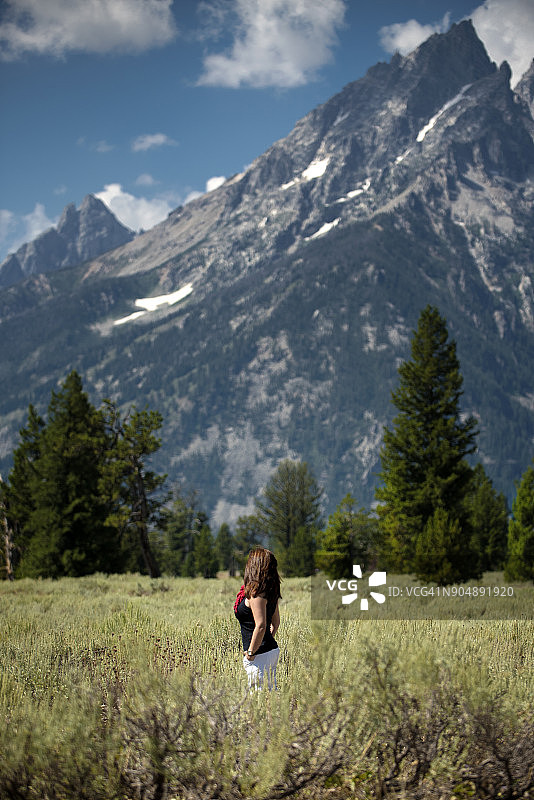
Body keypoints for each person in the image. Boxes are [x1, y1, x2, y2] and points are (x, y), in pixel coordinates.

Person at [234, 546, 281, 690]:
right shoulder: (270, 590)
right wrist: (267, 639)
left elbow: (261, 625)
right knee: (269, 696)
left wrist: (251, 652)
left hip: (259, 656)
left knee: (259, 701)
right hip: (269, 651)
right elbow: (276, 622)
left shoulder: (256, 593)